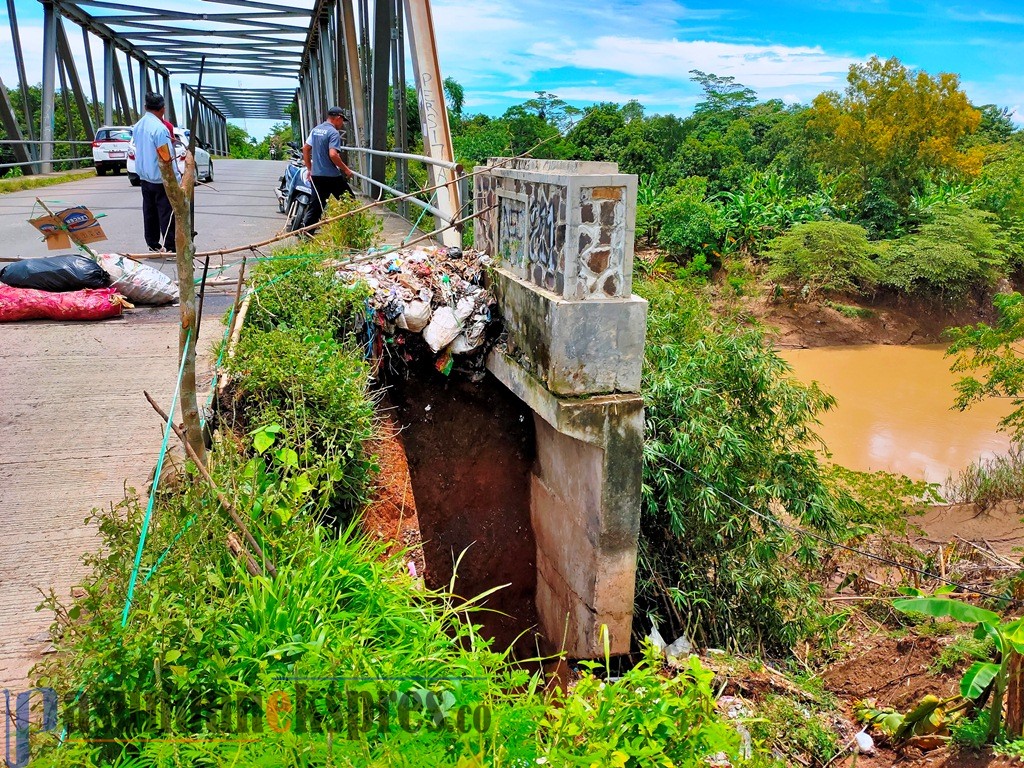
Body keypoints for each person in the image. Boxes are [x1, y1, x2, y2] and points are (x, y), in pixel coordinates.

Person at [132, 92, 178, 252]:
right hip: (160, 178)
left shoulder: (138, 126)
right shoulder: (160, 129)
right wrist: (177, 179)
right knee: (166, 212)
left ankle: (152, 243)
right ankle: (171, 245)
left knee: (149, 211)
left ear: (145, 107)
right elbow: (166, 156)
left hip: (144, 177)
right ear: (163, 109)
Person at [301, 106, 355, 231]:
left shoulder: (315, 130)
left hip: (317, 176)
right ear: (337, 118)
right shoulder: (333, 132)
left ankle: (306, 235)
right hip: (331, 176)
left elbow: (305, 149)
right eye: (342, 120)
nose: (342, 124)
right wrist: (346, 169)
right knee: (350, 202)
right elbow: (333, 154)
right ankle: (351, 230)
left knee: (316, 207)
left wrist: (310, 169)